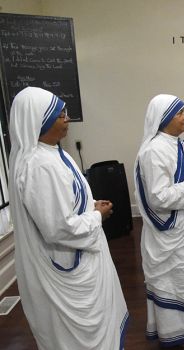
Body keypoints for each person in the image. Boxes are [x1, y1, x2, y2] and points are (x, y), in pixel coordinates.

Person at [8, 87, 129, 349]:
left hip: (81, 256)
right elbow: (58, 229)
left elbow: (63, 205)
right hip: (66, 266)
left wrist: (89, 205)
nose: (67, 119)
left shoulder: (53, 153)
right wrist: (97, 216)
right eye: (60, 114)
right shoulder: (39, 165)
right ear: (39, 120)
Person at [134, 94, 184, 347]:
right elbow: (158, 198)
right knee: (176, 281)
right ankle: (176, 333)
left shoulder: (177, 144)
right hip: (172, 233)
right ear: (165, 118)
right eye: (180, 113)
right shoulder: (154, 151)